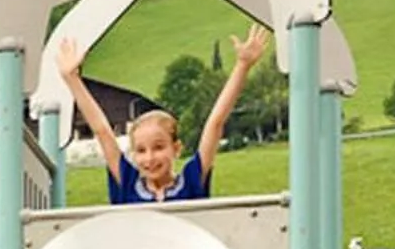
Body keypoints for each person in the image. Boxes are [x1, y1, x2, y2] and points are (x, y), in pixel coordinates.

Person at [58, 23, 271, 206]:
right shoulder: (127, 184)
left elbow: (215, 123)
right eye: (141, 150)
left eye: (159, 147)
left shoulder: (191, 182)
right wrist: (73, 80)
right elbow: (102, 130)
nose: (149, 158)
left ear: (176, 148)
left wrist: (242, 66)